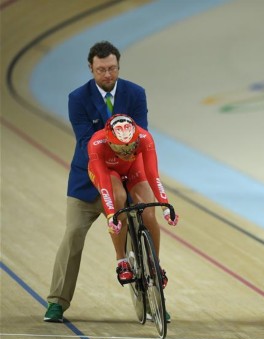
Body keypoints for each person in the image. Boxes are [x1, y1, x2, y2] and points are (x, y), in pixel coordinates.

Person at [44, 41, 149, 323]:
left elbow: (142, 135)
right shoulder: (77, 98)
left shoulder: (135, 93)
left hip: (121, 183)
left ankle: (151, 301)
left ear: (118, 66)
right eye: (101, 69)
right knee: (73, 236)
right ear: (91, 68)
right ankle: (57, 302)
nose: (108, 74)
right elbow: (84, 142)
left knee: (135, 235)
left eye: (112, 68)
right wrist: (119, 145)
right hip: (86, 182)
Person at [87, 114, 178, 286]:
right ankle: (121, 261)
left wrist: (166, 207)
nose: (127, 151)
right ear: (110, 142)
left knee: (149, 213)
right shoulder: (96, 144)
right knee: (118, 198)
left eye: (131, 146)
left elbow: (153, 175)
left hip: (134, 168)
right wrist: (111, 215)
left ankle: (154, 264)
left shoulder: (144, 137)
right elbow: (105, 185)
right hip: (108, 172)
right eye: (121, 148)